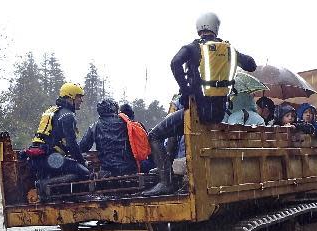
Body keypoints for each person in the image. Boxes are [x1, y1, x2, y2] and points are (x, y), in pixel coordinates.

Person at [144, 12, 257, 195]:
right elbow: (252, 65)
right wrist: (232, 56)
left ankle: (166, 182)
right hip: (218, 112)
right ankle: (167, 169)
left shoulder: (193, 48)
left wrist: (186, 89)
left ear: (199, 29)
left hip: (198, 111)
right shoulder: (228, 49)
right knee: (174, 131)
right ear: (215, 28)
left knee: (154, 136)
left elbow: (175, 63)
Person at [28, 82, 90, 183]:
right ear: (71, 97)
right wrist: (82, 162)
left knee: (71, 166)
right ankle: (42, 184)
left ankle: (46, 188)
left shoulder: (53, 111)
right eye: (79, 97)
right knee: (84, 172)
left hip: (38, 158)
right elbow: (71, 144)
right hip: (50, 158)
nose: (81, 100)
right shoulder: (68, 115)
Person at [79, 98, 137, 177]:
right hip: (129, 168)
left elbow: (83, 147)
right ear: (114, 108)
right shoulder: (126, 123)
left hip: (108, 169)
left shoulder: (95, 126)